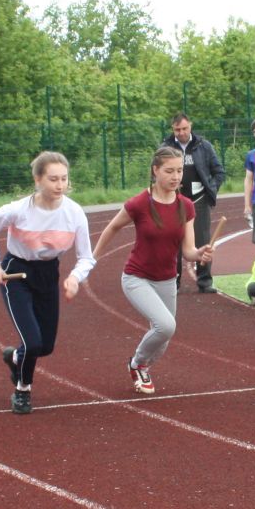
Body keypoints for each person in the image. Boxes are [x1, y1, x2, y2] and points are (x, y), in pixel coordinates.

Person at [0, 152, 97, 415]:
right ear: (38, 179)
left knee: (45, 346)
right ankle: (22, 390)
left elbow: (87, 257)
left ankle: (16, 358)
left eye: (64, 179)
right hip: (16, 274)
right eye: (53, 179)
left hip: (48, 274)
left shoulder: (74, 213)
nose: (60, 185)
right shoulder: (19, 210)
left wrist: (75, 278)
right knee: (32, 342)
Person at [93, 146, 215, 395]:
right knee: (165, 326)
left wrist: (200, 253)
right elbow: (113, 227)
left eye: (180, 170)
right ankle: (136, 363)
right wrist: (92, 258)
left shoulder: (186, 206)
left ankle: (143, 365)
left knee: (164, 337)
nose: (176, 176)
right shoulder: (139, 203)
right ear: (155, 171)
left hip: (167, 279)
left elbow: (188, 251)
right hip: (137, 278)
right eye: (169, 171)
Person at [166, 114, 225, 294]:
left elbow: (219, 172)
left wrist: (210, 191)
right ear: (173, 130)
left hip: (199, 200)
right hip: (174, 202)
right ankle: (172, 282)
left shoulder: (204, 146)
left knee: (202, 241)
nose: (181, 133)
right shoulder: (166, 147)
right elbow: (156, 173)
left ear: (190, 126)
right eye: (177, 130)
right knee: (172, 242)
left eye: (184, 128)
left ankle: (205, 281)